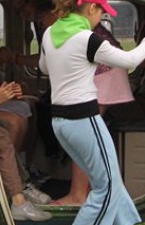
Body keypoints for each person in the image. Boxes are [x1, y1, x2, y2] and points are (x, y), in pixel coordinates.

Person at [39, 0, 145, 225]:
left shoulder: (50, 33)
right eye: (102, 12)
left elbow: (44, 68)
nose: (101, 18)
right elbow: (130, 60)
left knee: (109, 181)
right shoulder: (87, 39)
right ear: (91, 8)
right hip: (84, 120)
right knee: (107, 186)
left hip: (60, 122)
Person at [48, 15, 133, 207]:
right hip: (106, 73)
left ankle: (77, 196)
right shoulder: (76, 26)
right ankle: (87, 191)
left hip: (104, 76)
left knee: (83, 138)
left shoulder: (65, 30)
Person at [0, 80, 51, 222]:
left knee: (1, 134)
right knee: (0, 138)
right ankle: (19, 201)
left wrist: (6, 93)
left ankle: (22, 184)